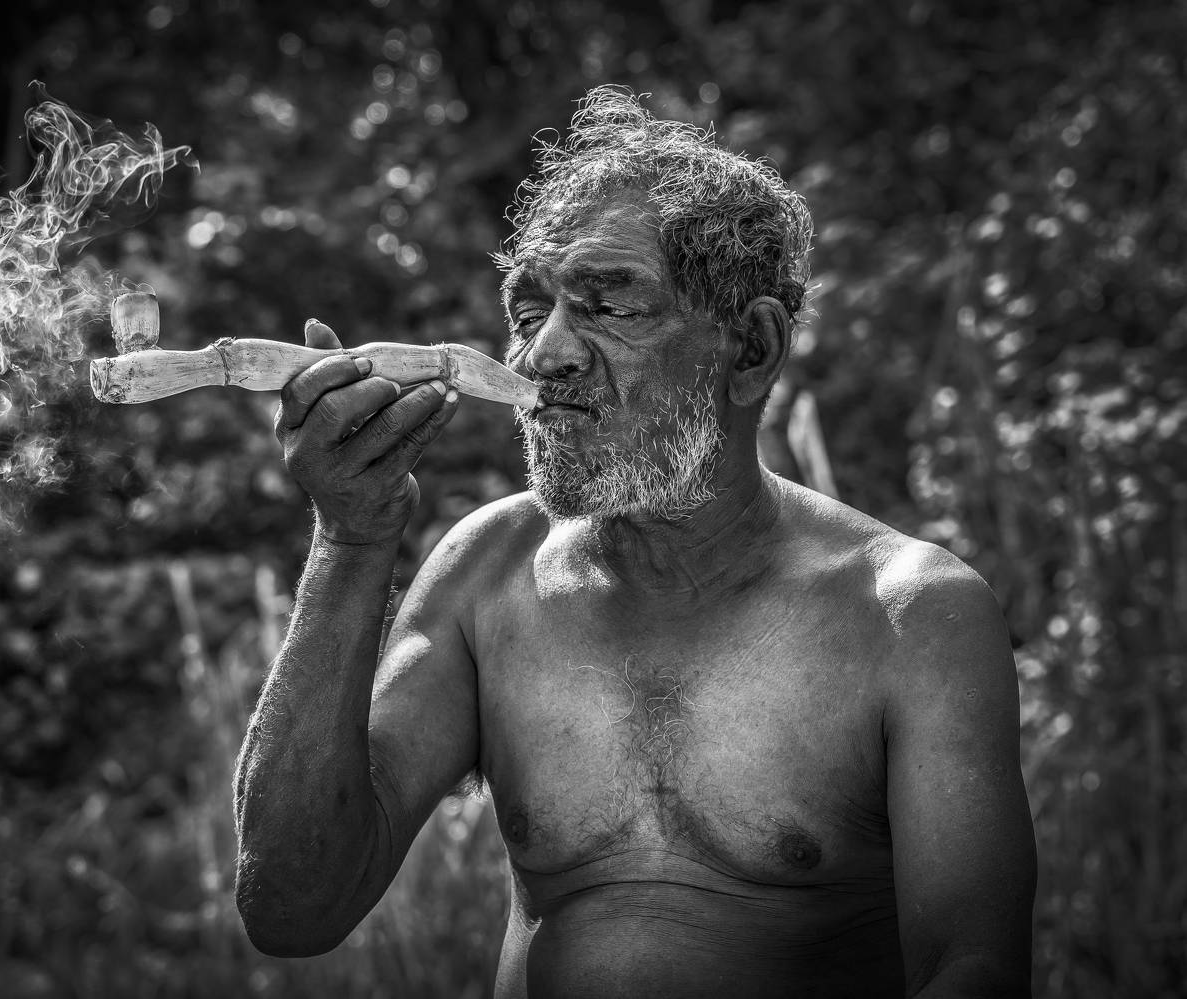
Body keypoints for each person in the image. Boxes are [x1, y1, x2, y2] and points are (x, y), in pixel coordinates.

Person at [232, 87, 1036, 998]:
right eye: (529, 313)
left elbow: (975, 969)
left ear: (751, 350)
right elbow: (291, 907)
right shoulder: (489, 571)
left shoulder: (909, 614)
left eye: (610, 308)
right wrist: (351, 536)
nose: (542, 356)